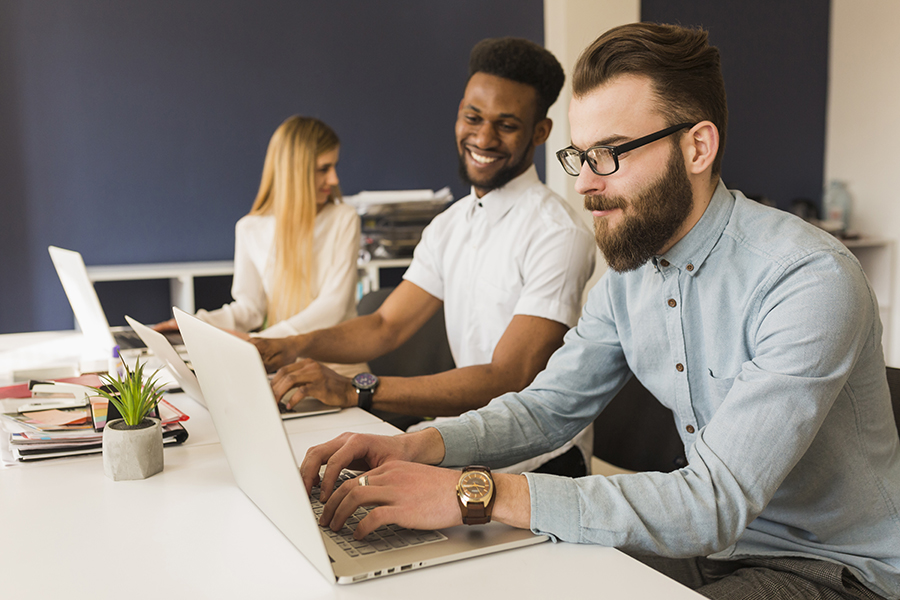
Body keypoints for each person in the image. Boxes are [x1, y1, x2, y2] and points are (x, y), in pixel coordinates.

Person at [298, 23, 900, 600]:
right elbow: (547, 409)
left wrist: (473, 491)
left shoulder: (806, 278)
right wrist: (421, 447)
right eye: (579, 156)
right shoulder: (630, 274)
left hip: (830, 568)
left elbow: (712, 503)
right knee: (493, 581)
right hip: (707, 546)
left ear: (697, 146)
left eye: (609, 154)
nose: (585, 184)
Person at [253, 37, 596, 476]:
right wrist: (289, 346)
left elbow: (507, 378)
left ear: (541, 132)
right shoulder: (450, 224)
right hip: (466, 435)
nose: (483, 137)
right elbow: (385, 325)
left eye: (506, 125)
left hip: (538, 460)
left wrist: (355, 389)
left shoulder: (558, 234)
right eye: (473, 117)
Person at [156, 116, 366, 377]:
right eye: (323, 169)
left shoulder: (344, 219)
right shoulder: (249, 228)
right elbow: (250, 308)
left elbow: (332, 308)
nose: (334, 179)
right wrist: (195, 324)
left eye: (334, 166)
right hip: (281, 366)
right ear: (294, 171)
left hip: (336, 370)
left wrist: (261, 343)